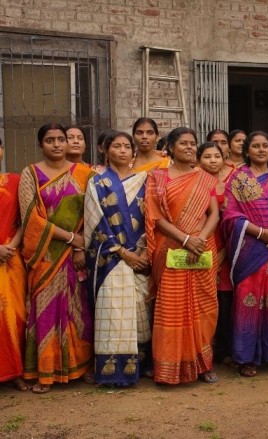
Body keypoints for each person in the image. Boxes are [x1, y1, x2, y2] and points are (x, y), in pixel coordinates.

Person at [19, 123, 96, 393]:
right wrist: (69, 238)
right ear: (41, 144)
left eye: (61, 139)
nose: (56, 144)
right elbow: (31, 218)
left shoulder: (85, 173)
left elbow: (91, 214)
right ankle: (45, 371)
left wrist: (78, 247)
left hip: (75, 254)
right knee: (45, 310)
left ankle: (82, 365)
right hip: (44, 254)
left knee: (79, 309)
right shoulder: (30, 173)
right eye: (50, 140)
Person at [145, 127, 220, 385]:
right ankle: (169, 367)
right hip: (172, 248)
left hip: (201, 247)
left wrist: (199, 239)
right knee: (171, 309)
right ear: (171, 148)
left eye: (193, 143)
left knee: (204, 307)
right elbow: (156, 217)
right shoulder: (157, 177)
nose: (189, 147)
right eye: (184, 143)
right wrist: (186, 239)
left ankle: (204, 364)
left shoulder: (204, 178)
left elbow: (215, 214)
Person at [222, 131, 268, 377]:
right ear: (247, 150)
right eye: (255, 146)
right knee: (247, 302)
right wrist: (262, 233)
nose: (261, 150)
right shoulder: (237, 179)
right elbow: (231, 216)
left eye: (266, 145)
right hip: (250, 251)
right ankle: (245, 358)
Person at [84, 131, 151, 386]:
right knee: (112, 311)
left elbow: (152, 219)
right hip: (111, 260)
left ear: (133, 151)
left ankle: (142, 366)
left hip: (140, 257)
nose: (122, 150)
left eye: (126, 146)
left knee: (139, 310)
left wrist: (142, 252)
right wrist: (123, 253)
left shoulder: (145, 181)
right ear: (105, 150)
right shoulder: (98, 182)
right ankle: (113, 372)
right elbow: (95, 222)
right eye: (117, 146)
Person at [197, 141, 236, 366]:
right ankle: (204, 348)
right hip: (202, 243)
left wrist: (224, 251)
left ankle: (224, 349)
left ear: (224, 159)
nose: (213, 161)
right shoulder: (194, 183)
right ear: (198, 160)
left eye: (217, 156)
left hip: (226, 245)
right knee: (203, 297)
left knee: (225, 298)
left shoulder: (230, 185)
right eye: (207, 157)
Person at [0, 138, 28, 391]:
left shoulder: (14, 181)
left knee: (18, 315)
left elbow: (23, 218)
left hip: (11, 258)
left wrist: (11, 246)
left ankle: (16, 371)